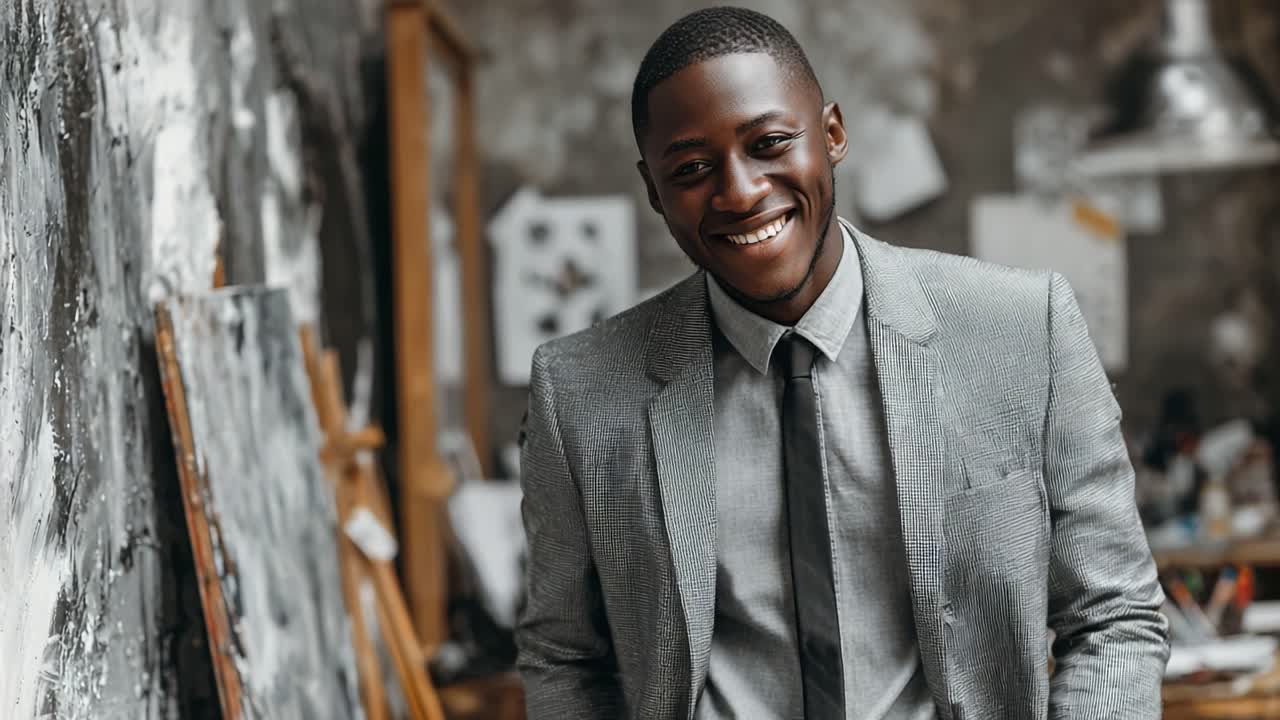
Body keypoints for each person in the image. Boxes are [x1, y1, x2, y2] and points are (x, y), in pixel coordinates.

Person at [515, 7, 1170, 720]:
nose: (739, 191)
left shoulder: (1022, 329)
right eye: (693, 168)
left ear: (831, 134)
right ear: (654, 190)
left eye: (769, 143)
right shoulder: (578, 393)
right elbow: (564, 656)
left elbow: (1115, 615)